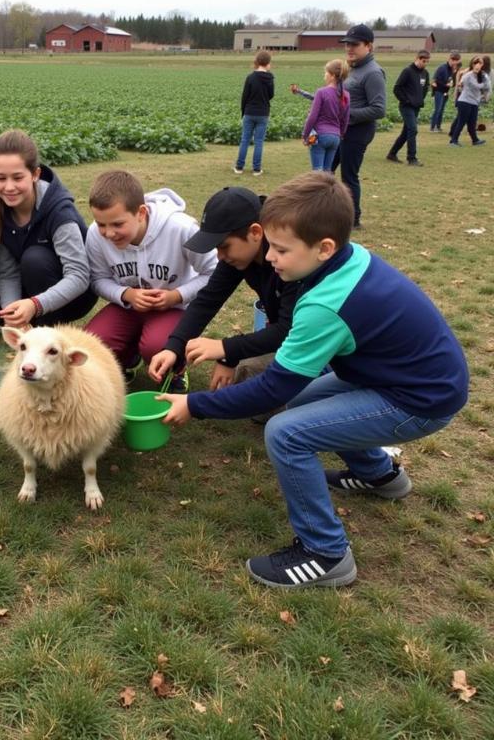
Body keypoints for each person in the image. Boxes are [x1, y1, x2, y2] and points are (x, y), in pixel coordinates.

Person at [157, 172, 468, 589]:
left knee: (285, 432)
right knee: (304, 406)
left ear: (324, 248)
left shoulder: (323, 303)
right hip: (400, 378)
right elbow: (224, 305)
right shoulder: (342, 259)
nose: (270, 258)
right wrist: (185, 345)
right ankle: (381, 476)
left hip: (419, 399)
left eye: (281, 250)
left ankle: (325, 553)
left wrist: (193, 405)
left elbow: (273, 388)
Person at [147, 185, 299, 403]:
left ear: (255, 232)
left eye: (224, 246)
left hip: (316, 343)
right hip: (288, 335)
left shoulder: (290, 260)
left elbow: (288, 330)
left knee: (259, 391)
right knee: (250, 384)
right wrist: (173, 347)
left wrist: (226, 350)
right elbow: (207, 300)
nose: (219, 257)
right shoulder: (240, 256)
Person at [84, 170, 218, 393]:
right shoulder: (95, 235)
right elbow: (98, 279)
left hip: (173, 308)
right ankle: (126, 360)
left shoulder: (181, 228)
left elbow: (214, 273)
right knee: (93, 344)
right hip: (126, 307)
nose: (108, 233)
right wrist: (126, 294)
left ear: (141, 213)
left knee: (158, 345)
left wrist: (176, 295)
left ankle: (176, 372)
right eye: (101, 224)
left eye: (117, 224)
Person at [0, 129, 97, 328]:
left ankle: (44, 329)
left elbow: (79, 275)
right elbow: (7, 271)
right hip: (30, 292)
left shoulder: (60, 212)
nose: (9, 187)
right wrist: (11, 313)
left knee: (34, 258)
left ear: (35, 174)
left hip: (74, 295)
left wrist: (35, 305)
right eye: (1, 178)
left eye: (18, 178)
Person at [331, 25, 386, 229]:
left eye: (354, 44)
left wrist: (347, 114)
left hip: (357, 131)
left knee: (348, 175)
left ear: (368, 46)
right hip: (341, 129)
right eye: (347, 44)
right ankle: (327, 212)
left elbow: (379, 109)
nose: (349, 49)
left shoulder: (373, 73)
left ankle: (353, 219)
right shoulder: (353, 69)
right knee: (326, 172)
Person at [301, 59, 350, 171]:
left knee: (317, 171)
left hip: (320, 136)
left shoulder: (321, 92)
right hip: (335, 137)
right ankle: (328, 189)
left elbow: (312, 116)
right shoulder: (346, 95)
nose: (324, 75)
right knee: (328, 171)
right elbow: (345, 119)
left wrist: (305, 135)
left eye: (326, 72)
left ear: (332, 76)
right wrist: (341, 134)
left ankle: (319, 189)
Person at [386, 50, 431, 166]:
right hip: (406, 107)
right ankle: (412, 158)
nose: (425, 63)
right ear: (417, 58)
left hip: (416, 107)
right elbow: (397, 88)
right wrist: (406, 100)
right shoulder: (407, 71)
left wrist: (420, 99)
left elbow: (425, 88)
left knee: (406, 132)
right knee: (413, 129)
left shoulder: (425, 73)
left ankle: (392, 154)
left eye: (427, 61)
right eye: (423, 61)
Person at [233, 51, 274, 176]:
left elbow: (244, 96)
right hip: (263, 113)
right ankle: (256, 169)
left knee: (245, 140)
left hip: (249, 112)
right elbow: (271, 95)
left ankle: (239, 167)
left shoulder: (250, 77)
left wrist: (243, 112)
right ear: (267, 63)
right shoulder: (270, 78)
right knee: (259, 141)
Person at [449, 55, 491, 147]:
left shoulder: (481, 75)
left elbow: (488, 87)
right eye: (476, 63)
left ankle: (475, 140)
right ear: (472, 64)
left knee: (472, 123)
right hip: (464, 102)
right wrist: (485, 82)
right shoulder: (468, 75)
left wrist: (485, 81)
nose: (478, 65)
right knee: (461, 121)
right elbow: (476, 86)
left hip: (474, 102)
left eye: (480, 63)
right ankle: (453, 140)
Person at [429, 51, 461, 132]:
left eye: (457, 62)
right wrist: (445, 85)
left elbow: (452, 81)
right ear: (450, 59)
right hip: (438, 91)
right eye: (454, 61)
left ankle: (438, 126)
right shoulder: (442, 68)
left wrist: (452, 84)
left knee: (442, 110)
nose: (455, 64)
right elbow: (436, 80)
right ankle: (433, 127)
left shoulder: (452, 70)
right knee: (438, 109)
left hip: (445, 92)